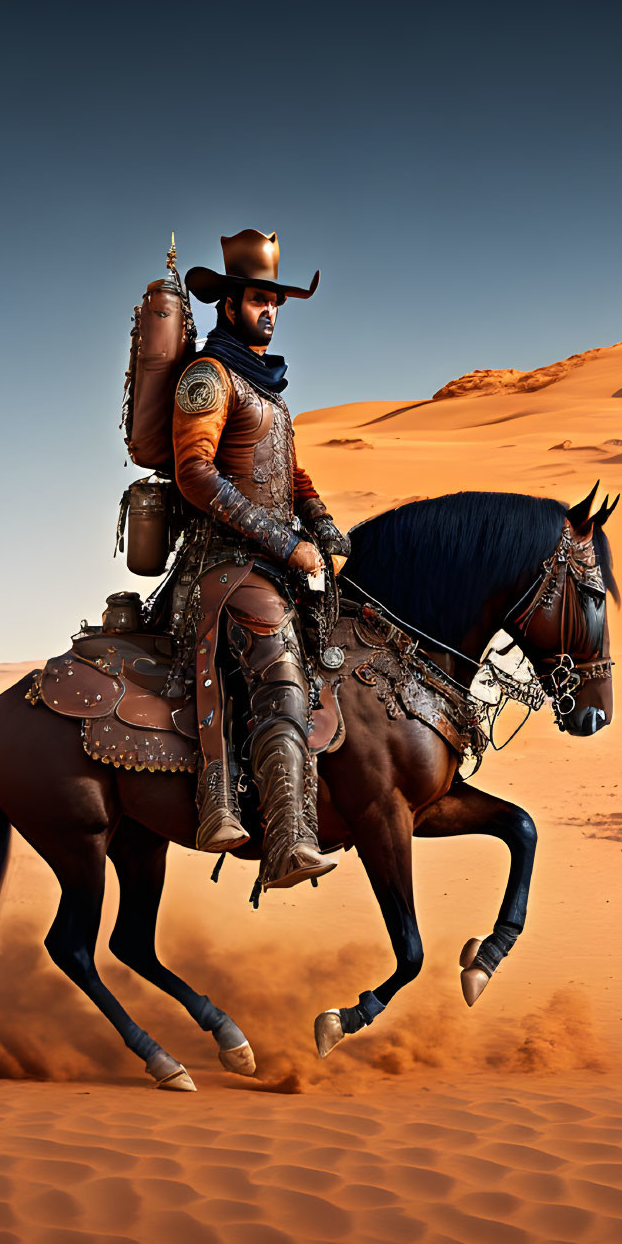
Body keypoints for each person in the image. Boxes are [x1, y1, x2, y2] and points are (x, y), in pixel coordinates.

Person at [170, 229, 351, 891]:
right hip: (225, 566)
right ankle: (286, 842)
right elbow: (194, 474)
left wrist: (326, 529)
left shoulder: (269, 394)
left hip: (277, 562)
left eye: (276, 302)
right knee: (279, 673)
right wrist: (284, 543)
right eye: (257, 300)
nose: (269, 312)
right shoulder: (208, 377)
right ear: (228, 306)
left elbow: (293, 481)